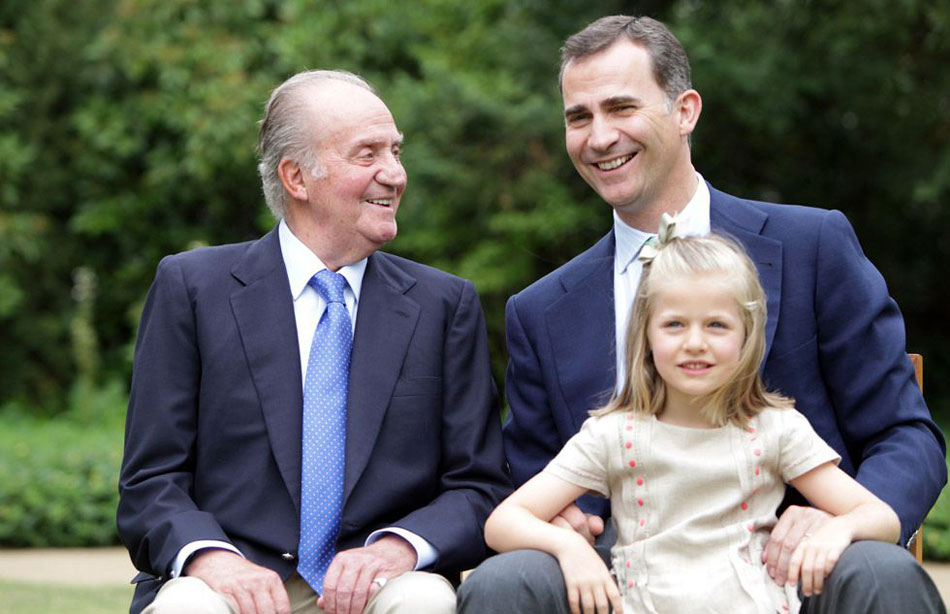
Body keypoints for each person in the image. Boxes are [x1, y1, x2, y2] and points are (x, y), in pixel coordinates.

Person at [458, 14, 946, 614]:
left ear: (685, 110)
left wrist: (839, 519)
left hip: (798, 562)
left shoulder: (814, 246)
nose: (599, 136)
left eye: (621, 108)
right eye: (579, 117)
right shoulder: (538, 311)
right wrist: (567, 531)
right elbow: (532, 477)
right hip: (617, 577)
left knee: (881, 573)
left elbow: (905, 434)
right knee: (505, 583)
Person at [117, 69, 511, 614]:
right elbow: (150, 480)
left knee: (424, 604)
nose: (394, 174)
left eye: (395, 152)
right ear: (297, 178)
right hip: (229, 577)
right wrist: (214, 560)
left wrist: (397, 548)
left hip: (386, 583)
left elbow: (479, 485)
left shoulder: (444, 306)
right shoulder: (192, 289)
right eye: (367, 154)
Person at [484, 222, 900, 614]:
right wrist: (568, 548)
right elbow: (504, 521)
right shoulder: (615, 435)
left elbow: (879, 516)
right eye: (674, 325)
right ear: (645, 335)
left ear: (747, 334)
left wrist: (836, 530)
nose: (695, 343)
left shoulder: (774, 429)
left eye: (717, 325)